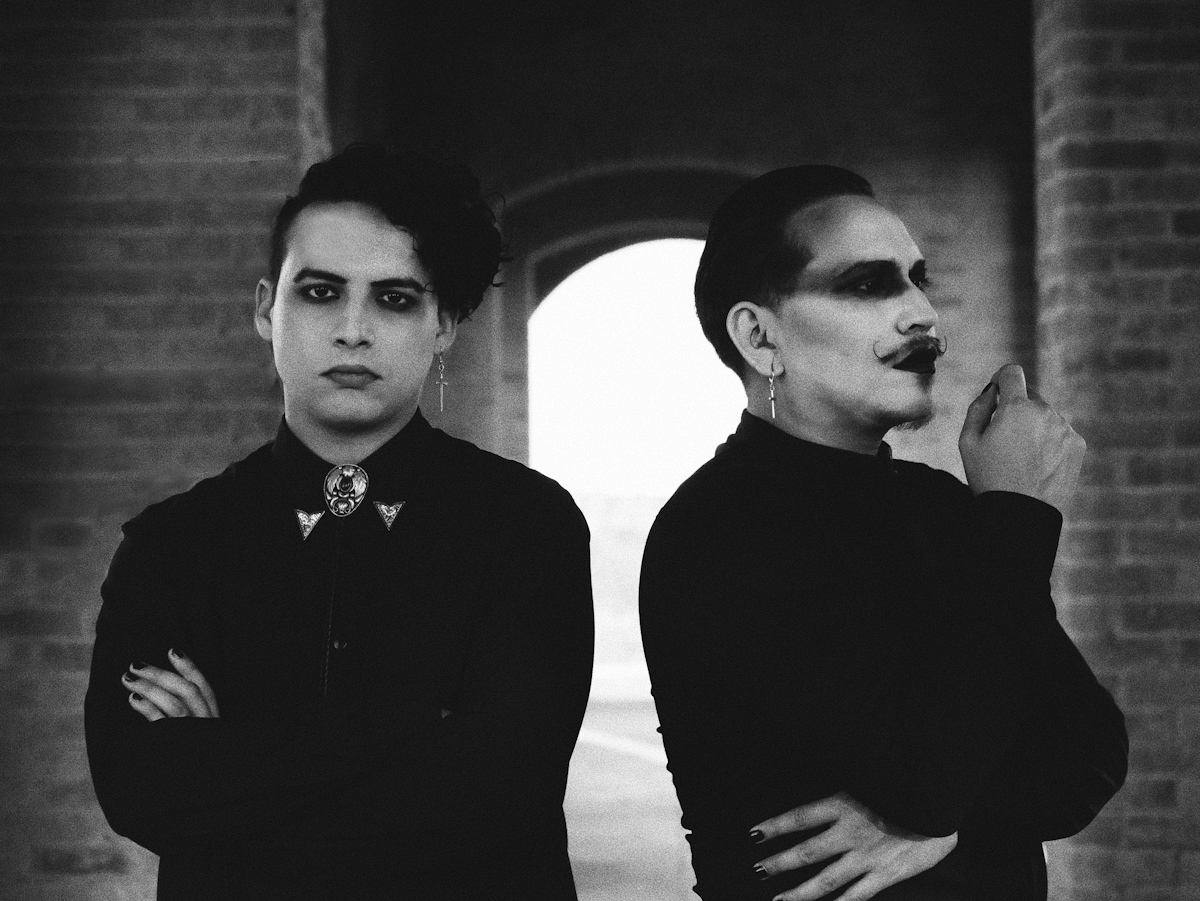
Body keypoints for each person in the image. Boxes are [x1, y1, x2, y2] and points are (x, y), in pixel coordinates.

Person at [84, 144, 594, 900]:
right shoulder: (173, 544)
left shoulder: (527, 527)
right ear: (268, 309)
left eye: (395, 299)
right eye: (321, 292)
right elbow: (141, 790)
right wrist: (417, 741)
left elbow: (500, 796)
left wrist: (223, 751)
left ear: (444, 324)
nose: (353, 329)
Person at [638, 165, 1127, 901]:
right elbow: (923, 779)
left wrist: (946, 821)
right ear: (760, 338)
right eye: (869, 284)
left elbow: (1087, 759)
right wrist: (1020, 512)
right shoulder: (715, 532)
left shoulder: (940, 506)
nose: (922, 313)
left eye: (918, 280)